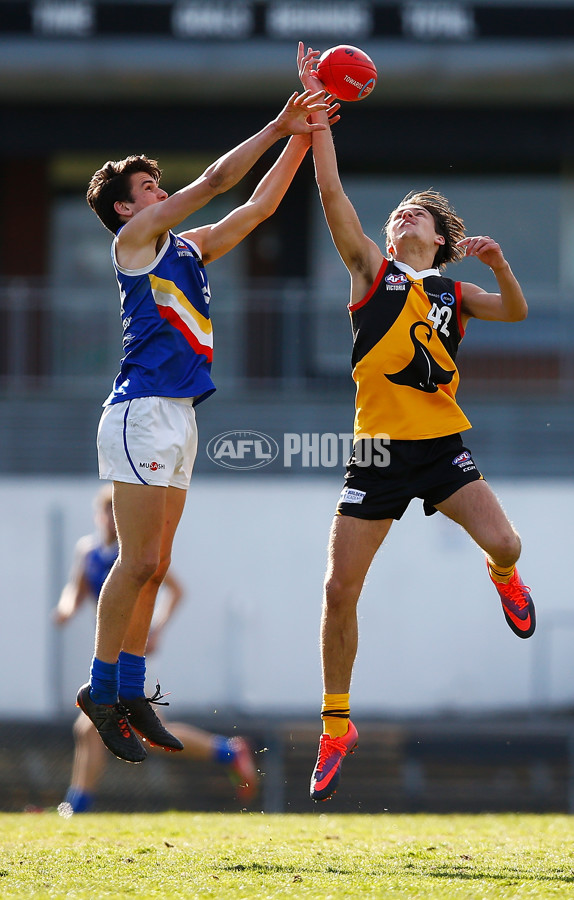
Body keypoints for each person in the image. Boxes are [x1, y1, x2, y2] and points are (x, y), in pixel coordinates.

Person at [297, 43, 536, 803]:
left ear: (440, 237)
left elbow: (517, 311)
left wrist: (497, 266)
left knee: (507, 542)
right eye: (399, 209)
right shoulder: (373, 270)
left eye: (419, 213)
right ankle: (338, 726)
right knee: (339, 592)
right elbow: (332, 194)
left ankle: (505, 580)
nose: (403, 214)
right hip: (374, 449)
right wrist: (317, 119)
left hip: (439, 447)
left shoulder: (454, 291)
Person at [81, 88, 338, 765]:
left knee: (156, 566)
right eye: (147, 186)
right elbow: (220, 180)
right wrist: (278, 123)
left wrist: (302, 138)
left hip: (179, 417)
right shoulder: (136, 242)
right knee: (137, 561)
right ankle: (100, 690)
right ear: (127, 209)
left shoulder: (187, 248)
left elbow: (256, 207)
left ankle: (129, 688)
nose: (160, 191)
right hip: (140, 412)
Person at [53, 486, 258, 814]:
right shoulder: (88, 552)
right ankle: (228, 752)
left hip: (131, 651)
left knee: (97, 727)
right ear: (98, 515)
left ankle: (75, 809)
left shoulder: (132, 555)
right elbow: (75, 591)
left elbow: (173, 590)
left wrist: (157, 629)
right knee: (117, 730)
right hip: (108, 652)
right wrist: (64, 609)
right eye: (104, 512)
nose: (109, 519)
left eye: (113, 512)